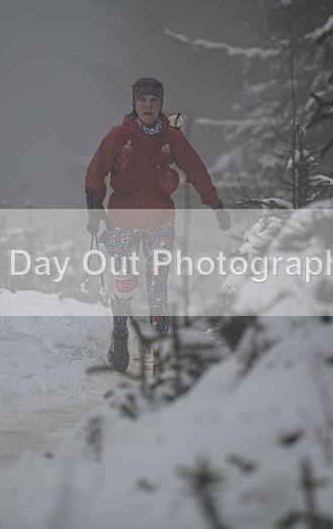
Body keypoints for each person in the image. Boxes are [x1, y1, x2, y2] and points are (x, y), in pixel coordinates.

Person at [84, 76, 230, 371]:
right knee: (124, 286)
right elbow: (94, 175)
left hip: (160, 222)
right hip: (120, 223)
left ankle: (162, 349)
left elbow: (197, 170)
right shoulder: (118, 136)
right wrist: (94, 214)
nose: (148, 106)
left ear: (160, 104)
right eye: (142, 100)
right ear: (134, 103)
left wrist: (215, 204)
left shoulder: (172, 139)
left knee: (157, 286)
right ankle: (120, 334)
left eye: (154, 101)